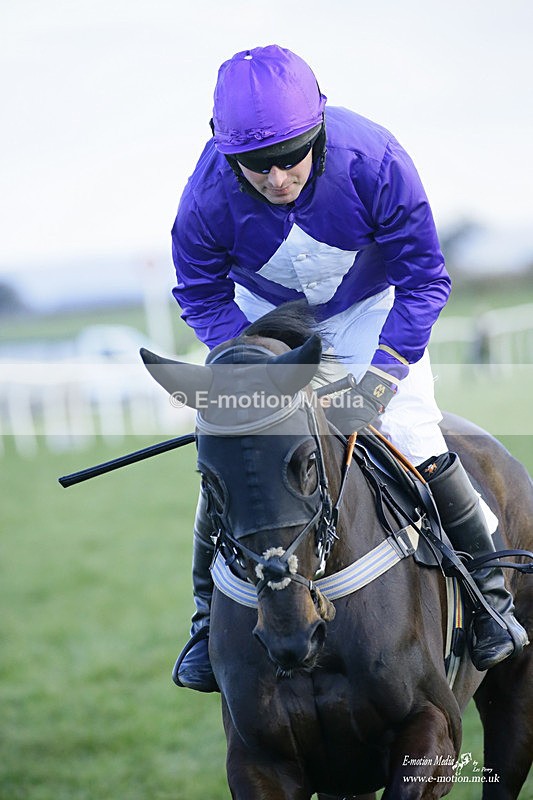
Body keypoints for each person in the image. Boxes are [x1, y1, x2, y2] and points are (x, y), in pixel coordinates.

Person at [170, 44, 528, 691]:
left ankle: (486, 600)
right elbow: (198, 292)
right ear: (226, 154)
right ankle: (202, 621)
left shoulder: (377, 160)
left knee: (413, 430)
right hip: (268, 321)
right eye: (256, 167)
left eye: (291, 158)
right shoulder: (203, 198)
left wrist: (377, 382)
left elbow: (423, 279)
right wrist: (250, 367)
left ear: (320, 131)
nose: (277, 179)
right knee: (235, 458)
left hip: (370, 307)